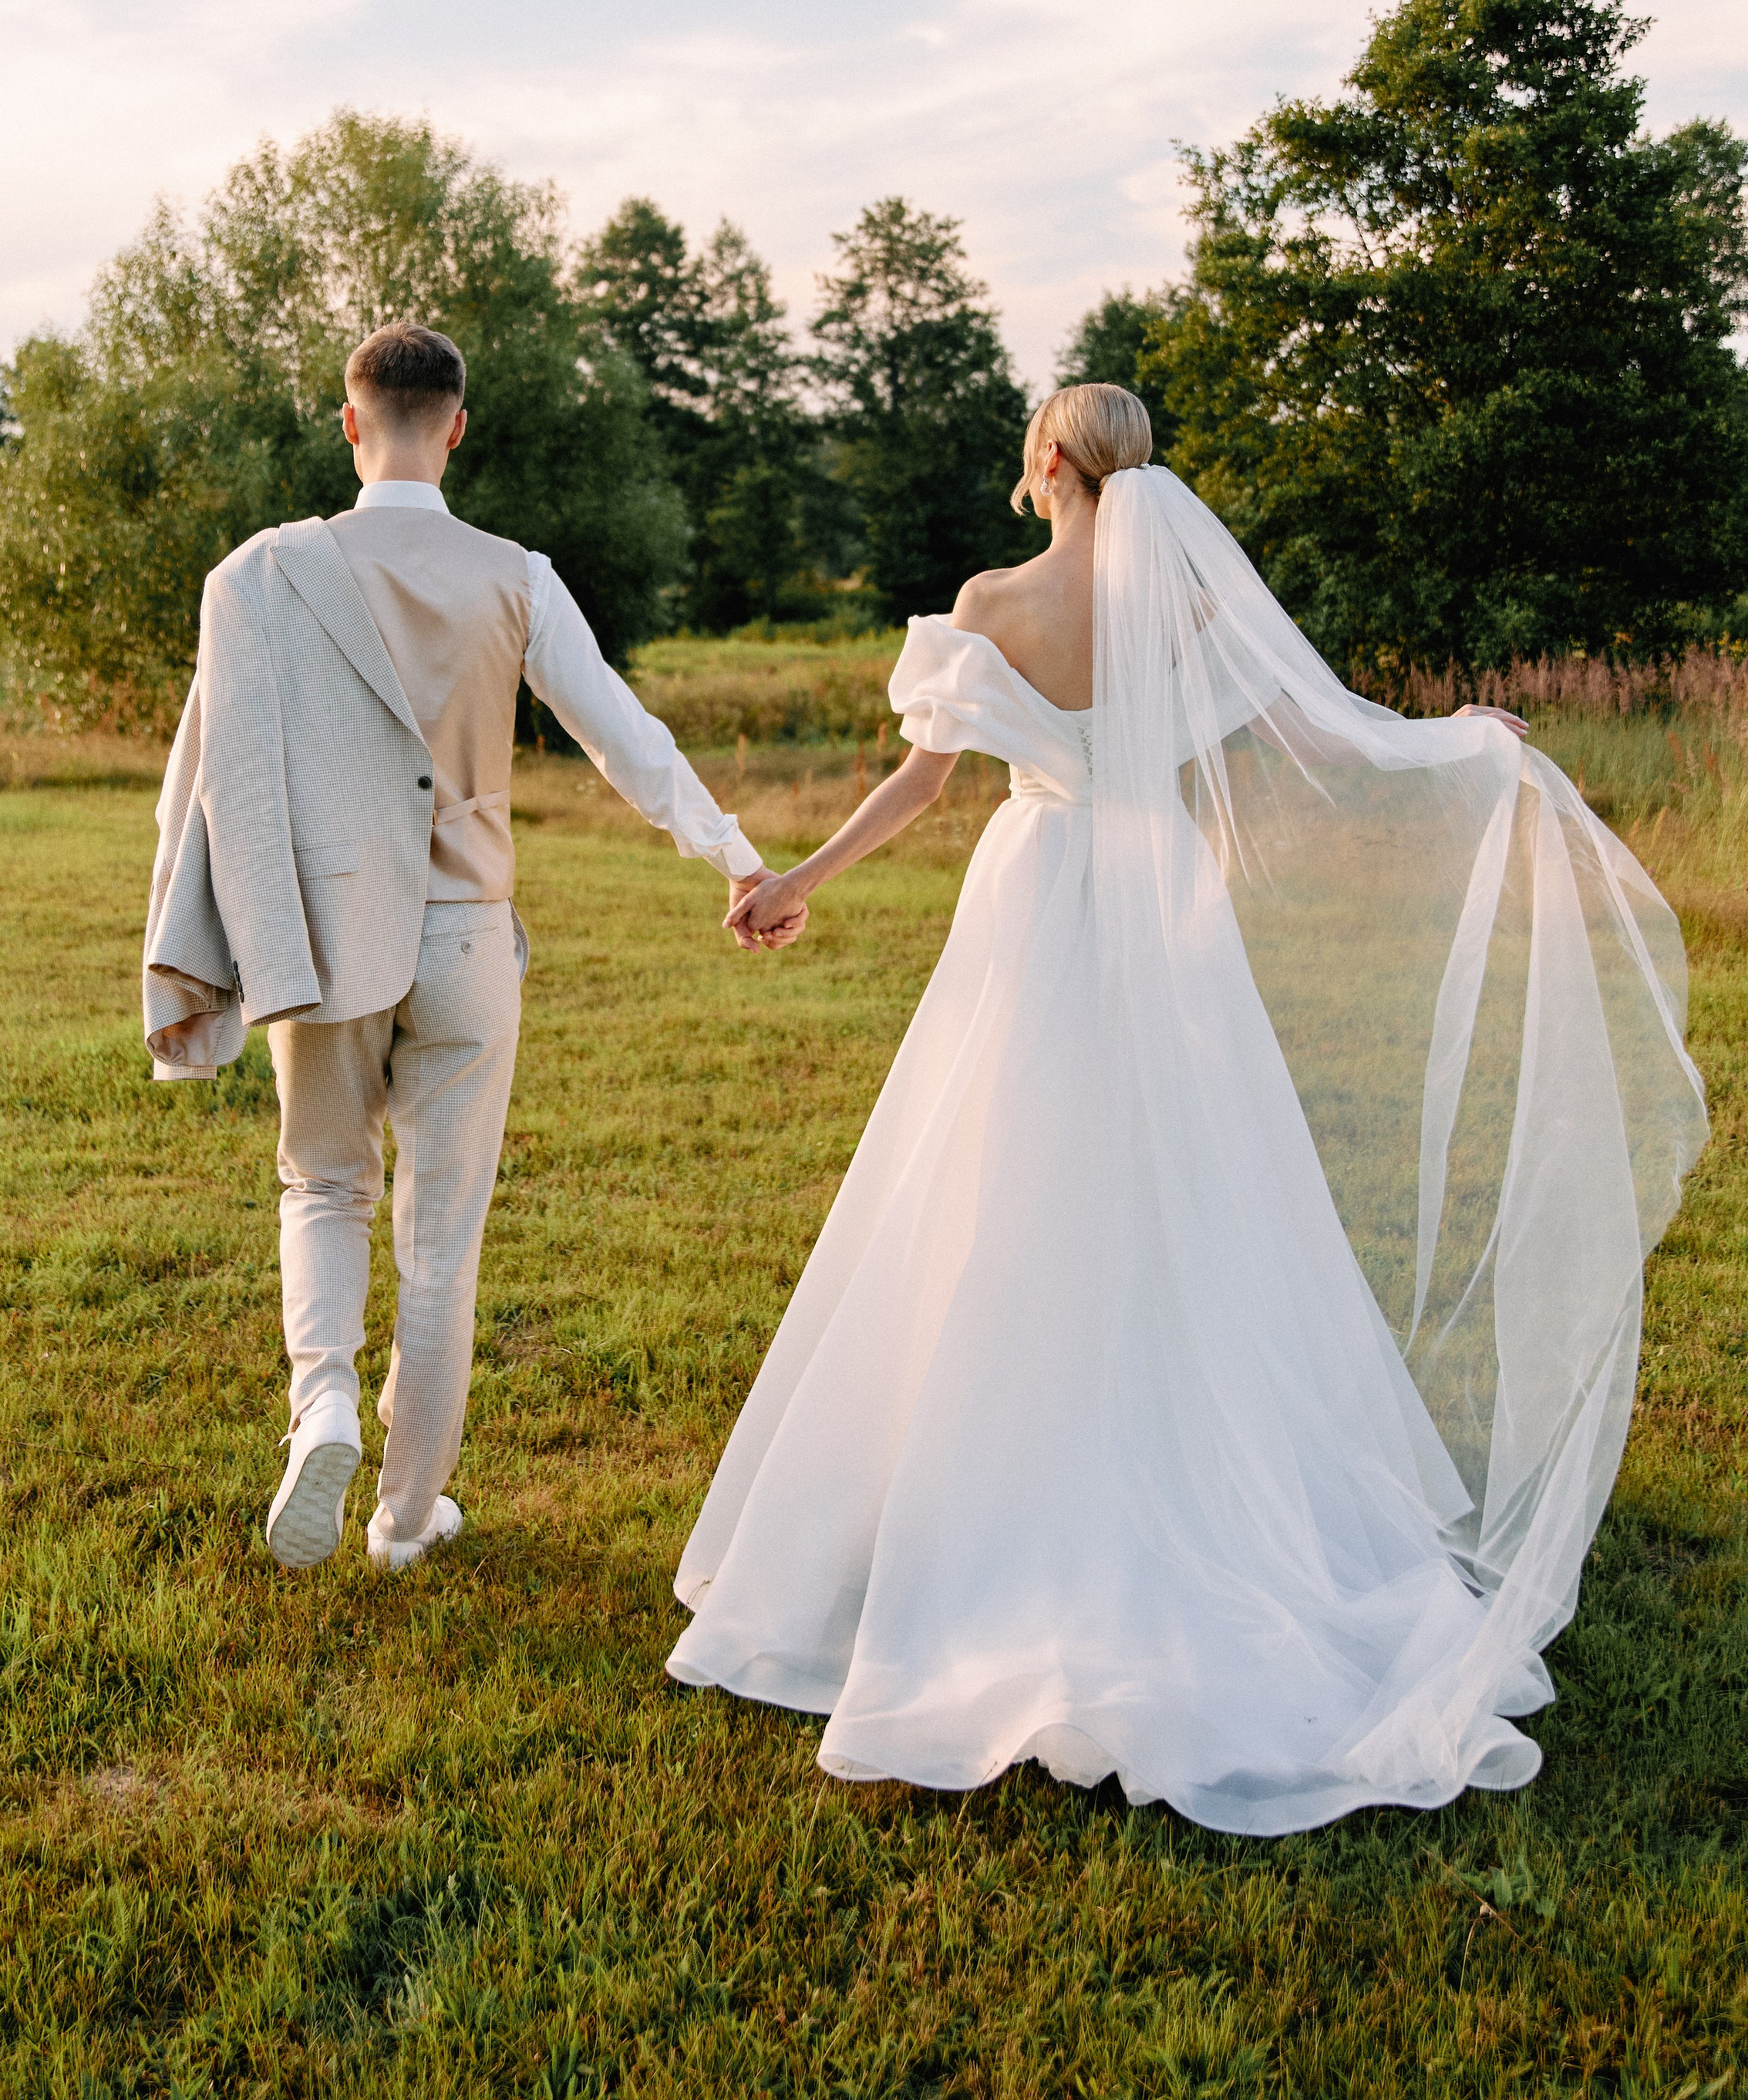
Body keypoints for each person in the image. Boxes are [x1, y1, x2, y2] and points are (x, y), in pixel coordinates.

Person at [671, 382, 1707, 1833]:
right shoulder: (1186, 610)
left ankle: (993, 1505)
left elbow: (922, 784)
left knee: (1002, 1181)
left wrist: (795, 881)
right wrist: (1459, 738)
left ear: (1048, 464)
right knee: (1184, 1183)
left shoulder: (994, 598)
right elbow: (1326, 729)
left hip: (1040, 891)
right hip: (1161, 895)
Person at [142, 321, 805, 1577]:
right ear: (456, 427)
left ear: (350, 424)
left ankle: (323, 1401)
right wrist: (739, 860)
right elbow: (624, 736)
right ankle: (403, 1523)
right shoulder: (516, 574)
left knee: (322, 1185)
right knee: (441, 1238)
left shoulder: (262, 577)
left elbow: (208, 779)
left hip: (328, 938)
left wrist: (194, 949)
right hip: (465, 948)